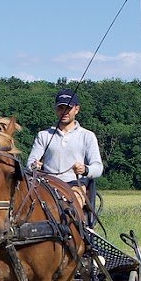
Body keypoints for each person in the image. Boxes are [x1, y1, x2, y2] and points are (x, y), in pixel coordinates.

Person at [27, 89, 103, 220]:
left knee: (70, 213)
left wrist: (85, 169)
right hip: (47, 185)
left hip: (75, 185)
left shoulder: (87, 136)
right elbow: (30, 164)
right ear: (56, 110)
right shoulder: (43, 136)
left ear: (76, 109)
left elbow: (98, 168)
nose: (64, 112)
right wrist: (35, 165)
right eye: (60, 108)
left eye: (68, 108)